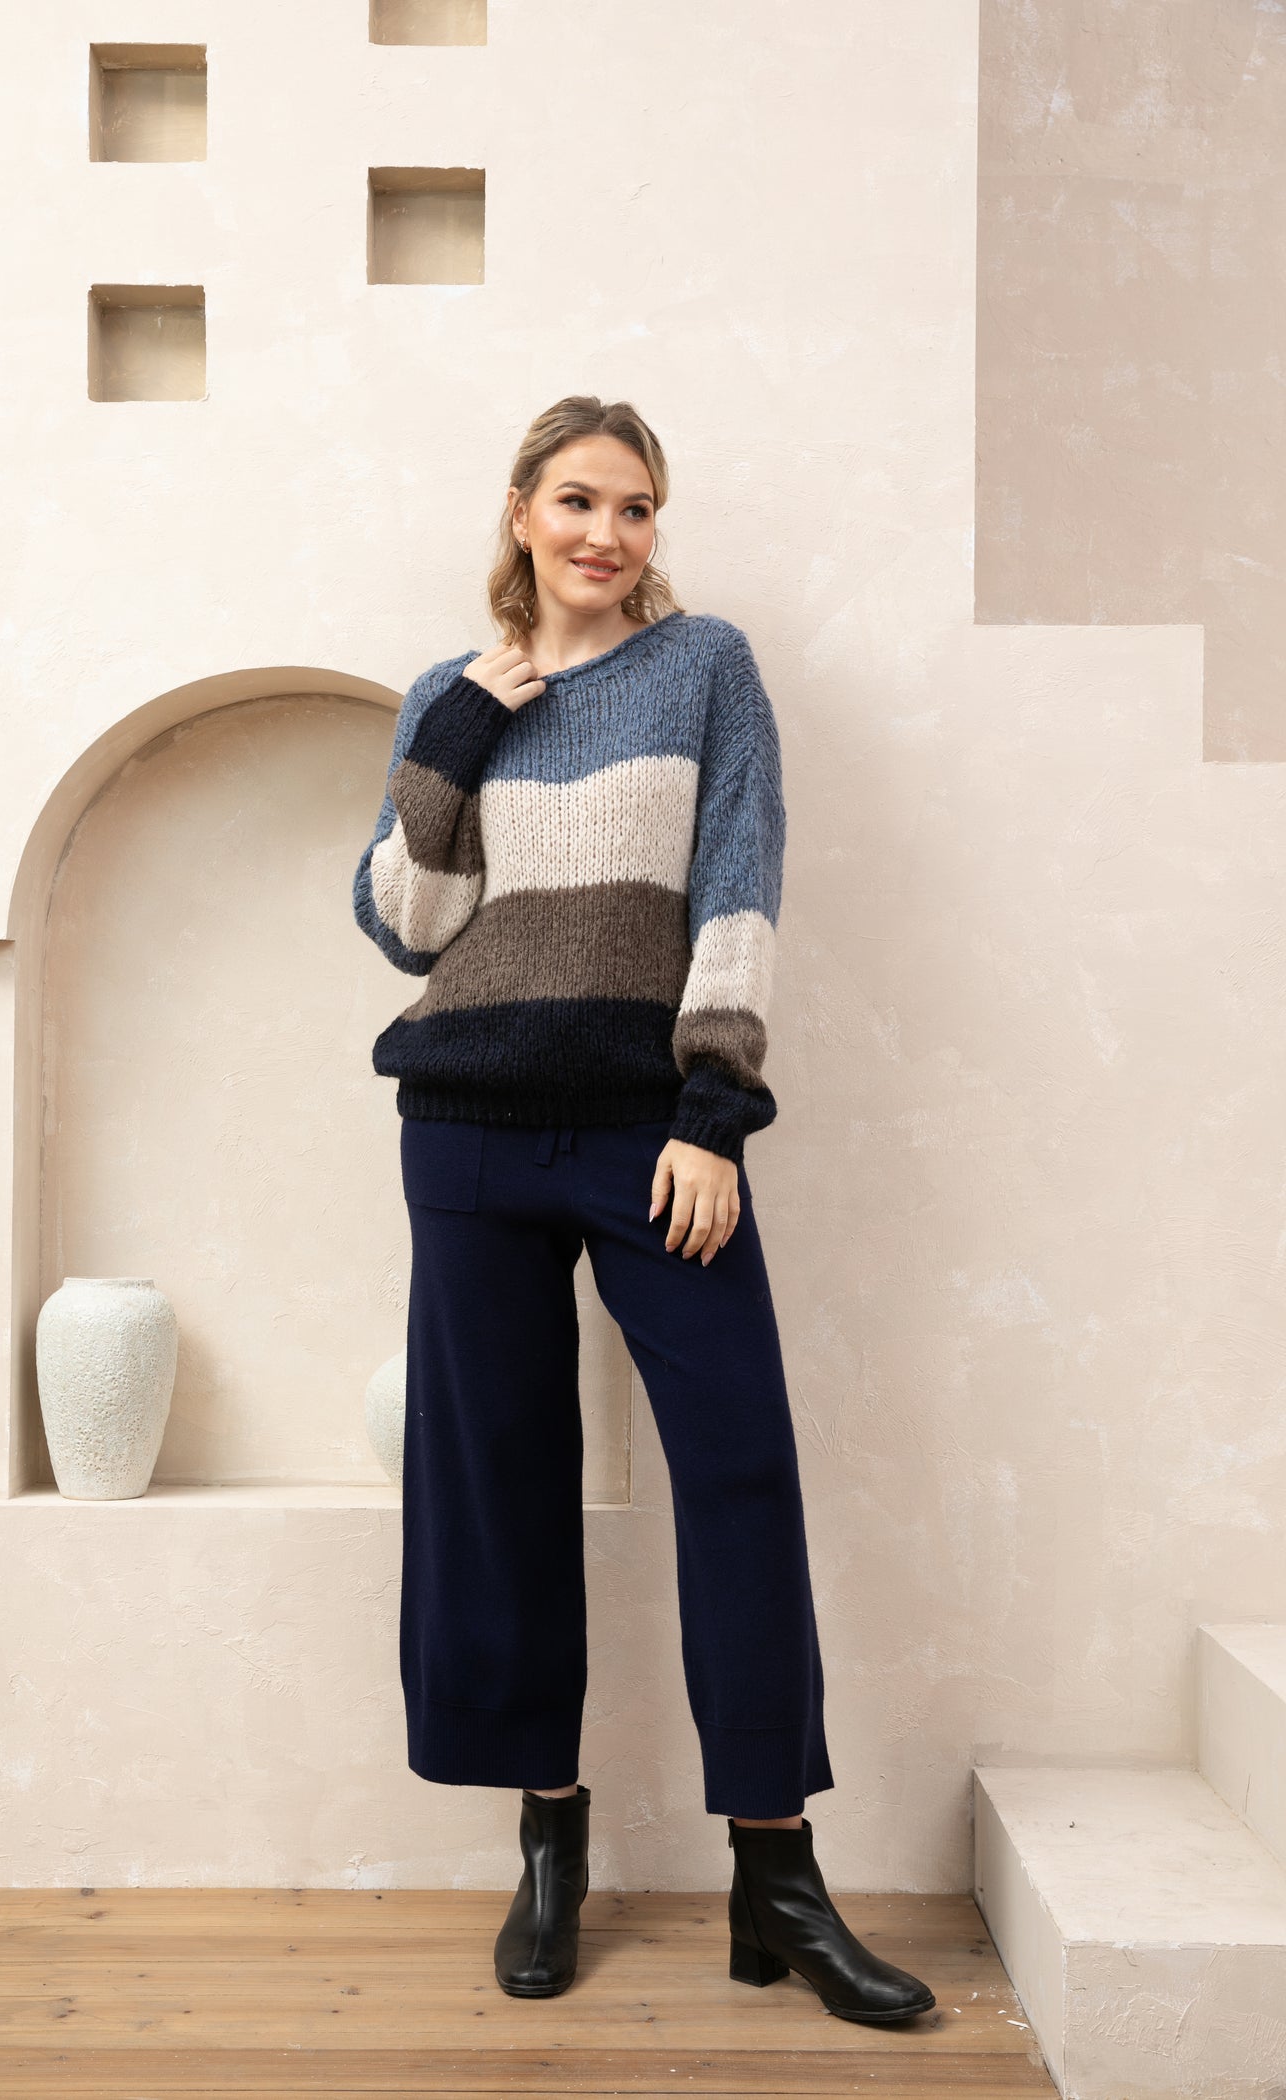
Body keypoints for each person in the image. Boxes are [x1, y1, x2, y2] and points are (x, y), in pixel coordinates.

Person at [352, 394, 934, 2025]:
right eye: (579, 501)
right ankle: (549, 1842)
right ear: (522, 511)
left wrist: (712, 1117)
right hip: (467, 1139)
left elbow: (738, 886)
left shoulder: (704, 670)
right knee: (499, 1485)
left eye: (636, 507)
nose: (608, 533)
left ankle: (778, 1877)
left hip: (647, 1137)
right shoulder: (451, 694)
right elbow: (408, 923)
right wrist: (454, 737)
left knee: (739, 1468)